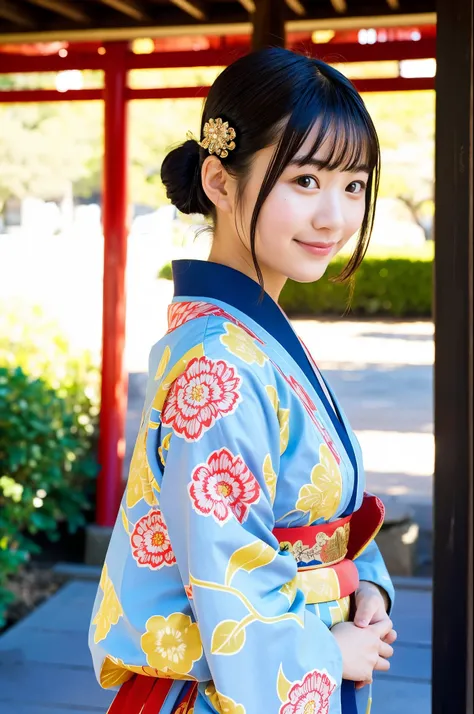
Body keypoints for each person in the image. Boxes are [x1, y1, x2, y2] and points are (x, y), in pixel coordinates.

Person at [89, 46, 396, 714]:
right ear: (221, 182)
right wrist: (325, 653)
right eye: (306, 181)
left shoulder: (248, 339)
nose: (335, 218)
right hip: (225, 691)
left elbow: (321, 519)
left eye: (353, 186)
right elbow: (229, 573)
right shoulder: (220, 363)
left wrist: (365, 586)